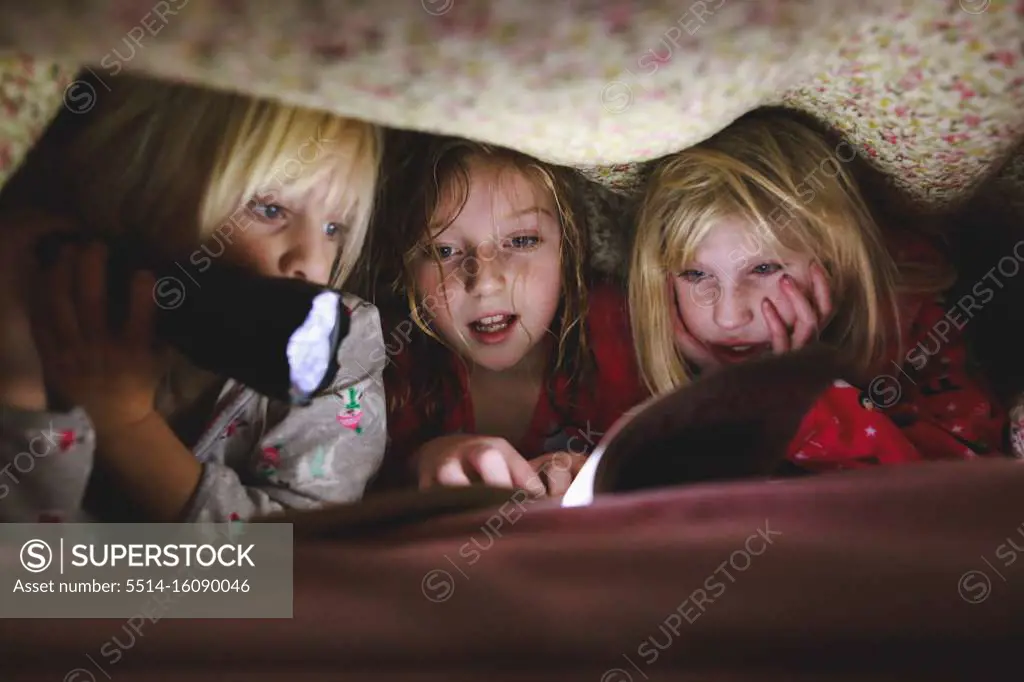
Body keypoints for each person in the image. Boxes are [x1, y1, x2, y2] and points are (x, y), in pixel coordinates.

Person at [0, 74, 386, 522]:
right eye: (270, 210)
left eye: (333, 229)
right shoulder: (68, 295)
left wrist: (125, 427)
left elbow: (292, 570)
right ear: (148, 194)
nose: (311, 262)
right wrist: (18, 370)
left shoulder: (339, 358)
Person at [628, 110, 1007, 470]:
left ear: (835, 260)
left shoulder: (916, 330)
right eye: (695, 275)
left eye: (764, 268)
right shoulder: (623, 356)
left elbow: (954, 493)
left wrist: (792, 396)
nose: (729, 317)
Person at [381, 138, 648, 496]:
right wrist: (421, 464)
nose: (486, 282)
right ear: (407, 271)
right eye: (443, 250)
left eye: (522, 241)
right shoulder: (383, 366)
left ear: (570, 250)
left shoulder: (619, 332)